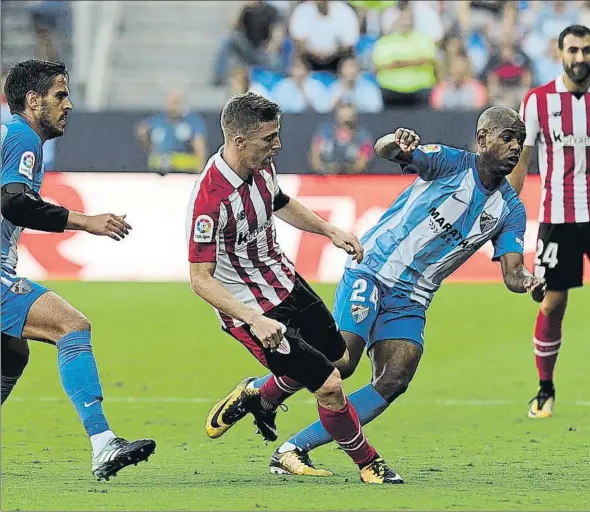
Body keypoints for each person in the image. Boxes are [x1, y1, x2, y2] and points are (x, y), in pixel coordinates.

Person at [212, 105, 546, 478]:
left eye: (519, 139)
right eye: (507, 137)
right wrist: (395, 140)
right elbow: (389, 150)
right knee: (342, 362)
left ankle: (292, 449)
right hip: (373, 269)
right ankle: (260, 392)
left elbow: (513, 272)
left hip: (414, 298)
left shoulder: (511, 210)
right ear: (483, 139)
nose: (515, 146)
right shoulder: (450, 162)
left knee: (394, 379)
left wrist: (530, 282)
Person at [187, 92, 402, 484]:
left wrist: (329, 230)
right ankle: (370, 464)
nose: (278, 145)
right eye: (269, 137)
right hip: (253, 311)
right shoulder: (210, 200)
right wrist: (253, 320)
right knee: (330, 386)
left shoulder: (262, 165)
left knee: (341, 362)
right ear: (239, 141)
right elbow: (199, 279)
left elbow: (280, 202)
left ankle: (258, 395)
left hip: (287, 284)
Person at [1, 60, 156, 480]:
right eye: (60, 95)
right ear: (33, 102)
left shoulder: (12, 136)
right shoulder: (22, 137)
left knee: (11, 354)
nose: (68, 105)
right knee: (71, 326)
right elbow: (12, 202)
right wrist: (84, 221)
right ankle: (104, 444)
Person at [509, 25, 590, 419]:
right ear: (559, 52)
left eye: (587, 50)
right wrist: (505, 212)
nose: (580, 58)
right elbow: (522, 163)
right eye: (573, 50)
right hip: (557, 218)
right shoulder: (538, 101)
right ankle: (545, 388)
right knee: (552, 305)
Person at [136, 89, 207, 175]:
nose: (173, 106)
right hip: (158, 170)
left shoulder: (191, 121)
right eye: (170, 102)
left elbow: (199, 145)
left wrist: (201, 170)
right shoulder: (158, 120)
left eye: (176, 102)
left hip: (182, 171)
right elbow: (143, 132)